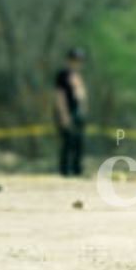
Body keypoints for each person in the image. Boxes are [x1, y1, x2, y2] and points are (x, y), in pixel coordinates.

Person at [54, 48, 87, 176]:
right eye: (75, 60)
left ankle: (77, 169)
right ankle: (65, 170)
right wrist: (64, 115)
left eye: (79, 61)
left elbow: (81, 95)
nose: (77, 63)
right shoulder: (63, 75)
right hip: (67, 111)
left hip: (77, 111)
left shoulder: (77, 76)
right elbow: (59, 96)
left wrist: (83, 109)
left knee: (79, 141)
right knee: (68, 141)